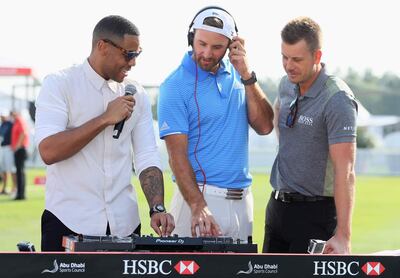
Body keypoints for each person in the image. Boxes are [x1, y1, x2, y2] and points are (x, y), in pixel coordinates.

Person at [35, 15, 174, 251]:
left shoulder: (136, 93)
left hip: (125, 225)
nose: (133, 63)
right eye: (128, 54)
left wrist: (157, 207)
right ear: (102, 46)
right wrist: (103, 119)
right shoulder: (59, 84)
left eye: (137, 54)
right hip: (67, 222)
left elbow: (146, 155)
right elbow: (48, 151)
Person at [158, 6, 274, 241]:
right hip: (199, 202)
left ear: (232, 45)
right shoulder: (174, 86)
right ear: (191, 38)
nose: (207, 53)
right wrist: (198, 206)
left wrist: (247, 75)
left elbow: (265, 126)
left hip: (242, 202)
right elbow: (176, 156)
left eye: (217, 47)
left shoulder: (240, 76)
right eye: (201, 44)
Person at [263, 17, 357, 254]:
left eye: (296, 59)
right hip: (277, 208)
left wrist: (343, 236)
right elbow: (278, 113)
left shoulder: (337, 99)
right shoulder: (286, 84)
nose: (288, 65)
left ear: (317, 56)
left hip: (315, 215)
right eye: (284, 57)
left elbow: (345, 171)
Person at [10, 110, 29, 200]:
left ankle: (21, 194)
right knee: (19, 172)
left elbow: (23, 133)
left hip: (20, 149)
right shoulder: (16, 121)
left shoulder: (19, 120)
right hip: (18, 149)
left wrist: (17, 146)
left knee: (20, 172)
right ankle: (20, 193)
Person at [0, 111, 16, 194]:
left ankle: (14, 188)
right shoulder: (2, 125)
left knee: (11, 169)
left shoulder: (10, 124)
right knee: (3, 170)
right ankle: (4, 188)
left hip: (9, 148)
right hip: (2, 148)